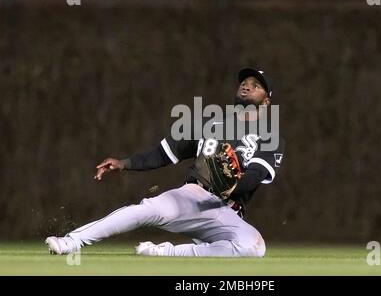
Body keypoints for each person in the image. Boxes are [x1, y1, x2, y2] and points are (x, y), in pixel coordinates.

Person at [45, 68, 285, 257]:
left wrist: (232, 186)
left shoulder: (270, 137)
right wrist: (125, 163)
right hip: (194, 196)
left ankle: (166, 252)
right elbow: (163, 153)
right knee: (146, 210)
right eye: (244, 82)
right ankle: (71, 241)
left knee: (253, 247)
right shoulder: (210, 124)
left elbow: (255, 176)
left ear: (266, 102)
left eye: (256, 85)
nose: (246, 85)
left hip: (227, 213)